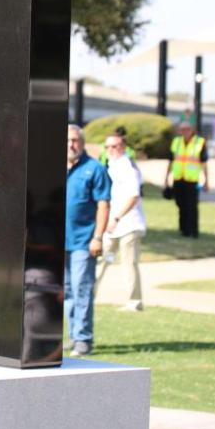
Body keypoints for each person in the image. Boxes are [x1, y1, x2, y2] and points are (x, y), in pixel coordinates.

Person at [65, 124, 110, 356]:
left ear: (82, 143)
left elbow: (103, 204)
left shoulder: (95, 169)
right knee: (67, 291)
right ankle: (73, 336)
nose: (71, 145)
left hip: (84, 241)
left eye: (75, 141)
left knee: (81, 289)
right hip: (59, 242)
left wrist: (98, 237)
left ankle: (83, 338)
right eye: (68, 140)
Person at [95, 133, 146, 311]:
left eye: (114, 146)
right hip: (111, 228)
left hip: (128, 227)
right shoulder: (111, 165)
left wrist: (117, 217)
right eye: (107, 147)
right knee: (103, 260)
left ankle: (134, 302)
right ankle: (88, 296)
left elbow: (134, 196)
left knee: (128, 264)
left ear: (123, 148)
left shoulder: (127, 167)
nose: (110, 150)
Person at [164, 121, 208, 238]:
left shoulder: (199, 143)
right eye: (182, 129)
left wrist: (206, 181)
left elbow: (204, 163)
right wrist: (166, 177)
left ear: (192, 130)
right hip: (178, 178)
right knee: (180, 204)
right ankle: (183, 229)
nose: (185, 132)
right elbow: (171, 161)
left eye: (187, 129)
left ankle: (193, 231)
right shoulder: (176, 142)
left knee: (192, 206)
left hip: (192, 179)